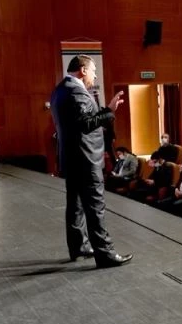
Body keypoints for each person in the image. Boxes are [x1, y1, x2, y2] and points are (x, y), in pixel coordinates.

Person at [50, 54, 132, 268]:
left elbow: (80, 121)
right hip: (86, 159)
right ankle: (105, 254)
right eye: (93, 71)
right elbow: (86, 124)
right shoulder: (76, 91)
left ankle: (79, 246)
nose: (95, 76)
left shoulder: (60, 89)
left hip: (72, 159)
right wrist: (110, 112)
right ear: (83, 70)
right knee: (96, 207)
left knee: (75, 206)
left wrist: (105, 111)